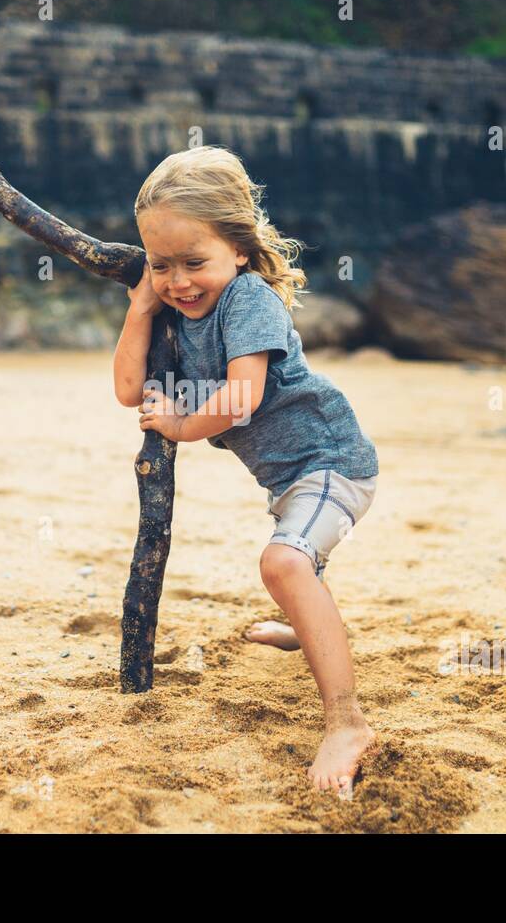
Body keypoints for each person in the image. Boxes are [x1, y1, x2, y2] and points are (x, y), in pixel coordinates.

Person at [111, 145, 380, 795]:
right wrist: (141, 309)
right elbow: (127, 390)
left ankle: (347, 723)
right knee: (298, 561)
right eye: (160, 265)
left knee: (283, 563)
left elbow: (241, 398)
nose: (178, 281)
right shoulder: (172, 312)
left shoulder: (249, 300)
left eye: (194, 262)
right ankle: (304, 625)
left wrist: (177, 423)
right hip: (288, 480)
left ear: (238, 248)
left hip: (331, 462)